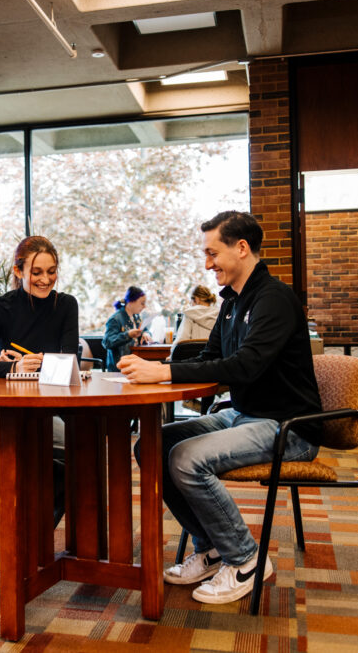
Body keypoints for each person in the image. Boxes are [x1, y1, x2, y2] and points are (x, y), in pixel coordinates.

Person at [118, 211, 322, 605]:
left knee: (186, 458)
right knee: (151, 445)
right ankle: (211, 548)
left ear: (241, 248)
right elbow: (211, 356)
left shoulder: (274, 300)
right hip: (245, 414)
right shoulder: (231, 302)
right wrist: (158, 371)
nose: (208, 264)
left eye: (213, 254)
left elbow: (245, 366)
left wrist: (161, 374)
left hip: (289, 426)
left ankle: (246, 560)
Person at [0, 235, 78, 525]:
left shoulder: (66, 305)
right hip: (6, 412)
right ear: (18, 272)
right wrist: (14, 368)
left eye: (51, 271)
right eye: (37, 272)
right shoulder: (0, 308)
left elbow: (68, 361)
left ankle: (40, 525)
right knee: (72, 453)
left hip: (49, 409)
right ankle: (35, 526)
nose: (46, 279)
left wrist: (44, 363)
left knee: (85, 450)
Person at [102, 286, 149, 372]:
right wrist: (128, 335)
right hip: (119, 368)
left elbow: (144, 330)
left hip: (133, 365)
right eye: (142, 303)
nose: (144, 306)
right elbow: (107, 342)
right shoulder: (115, 319)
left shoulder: (136, 317)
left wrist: (145, 333)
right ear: (131, 302)